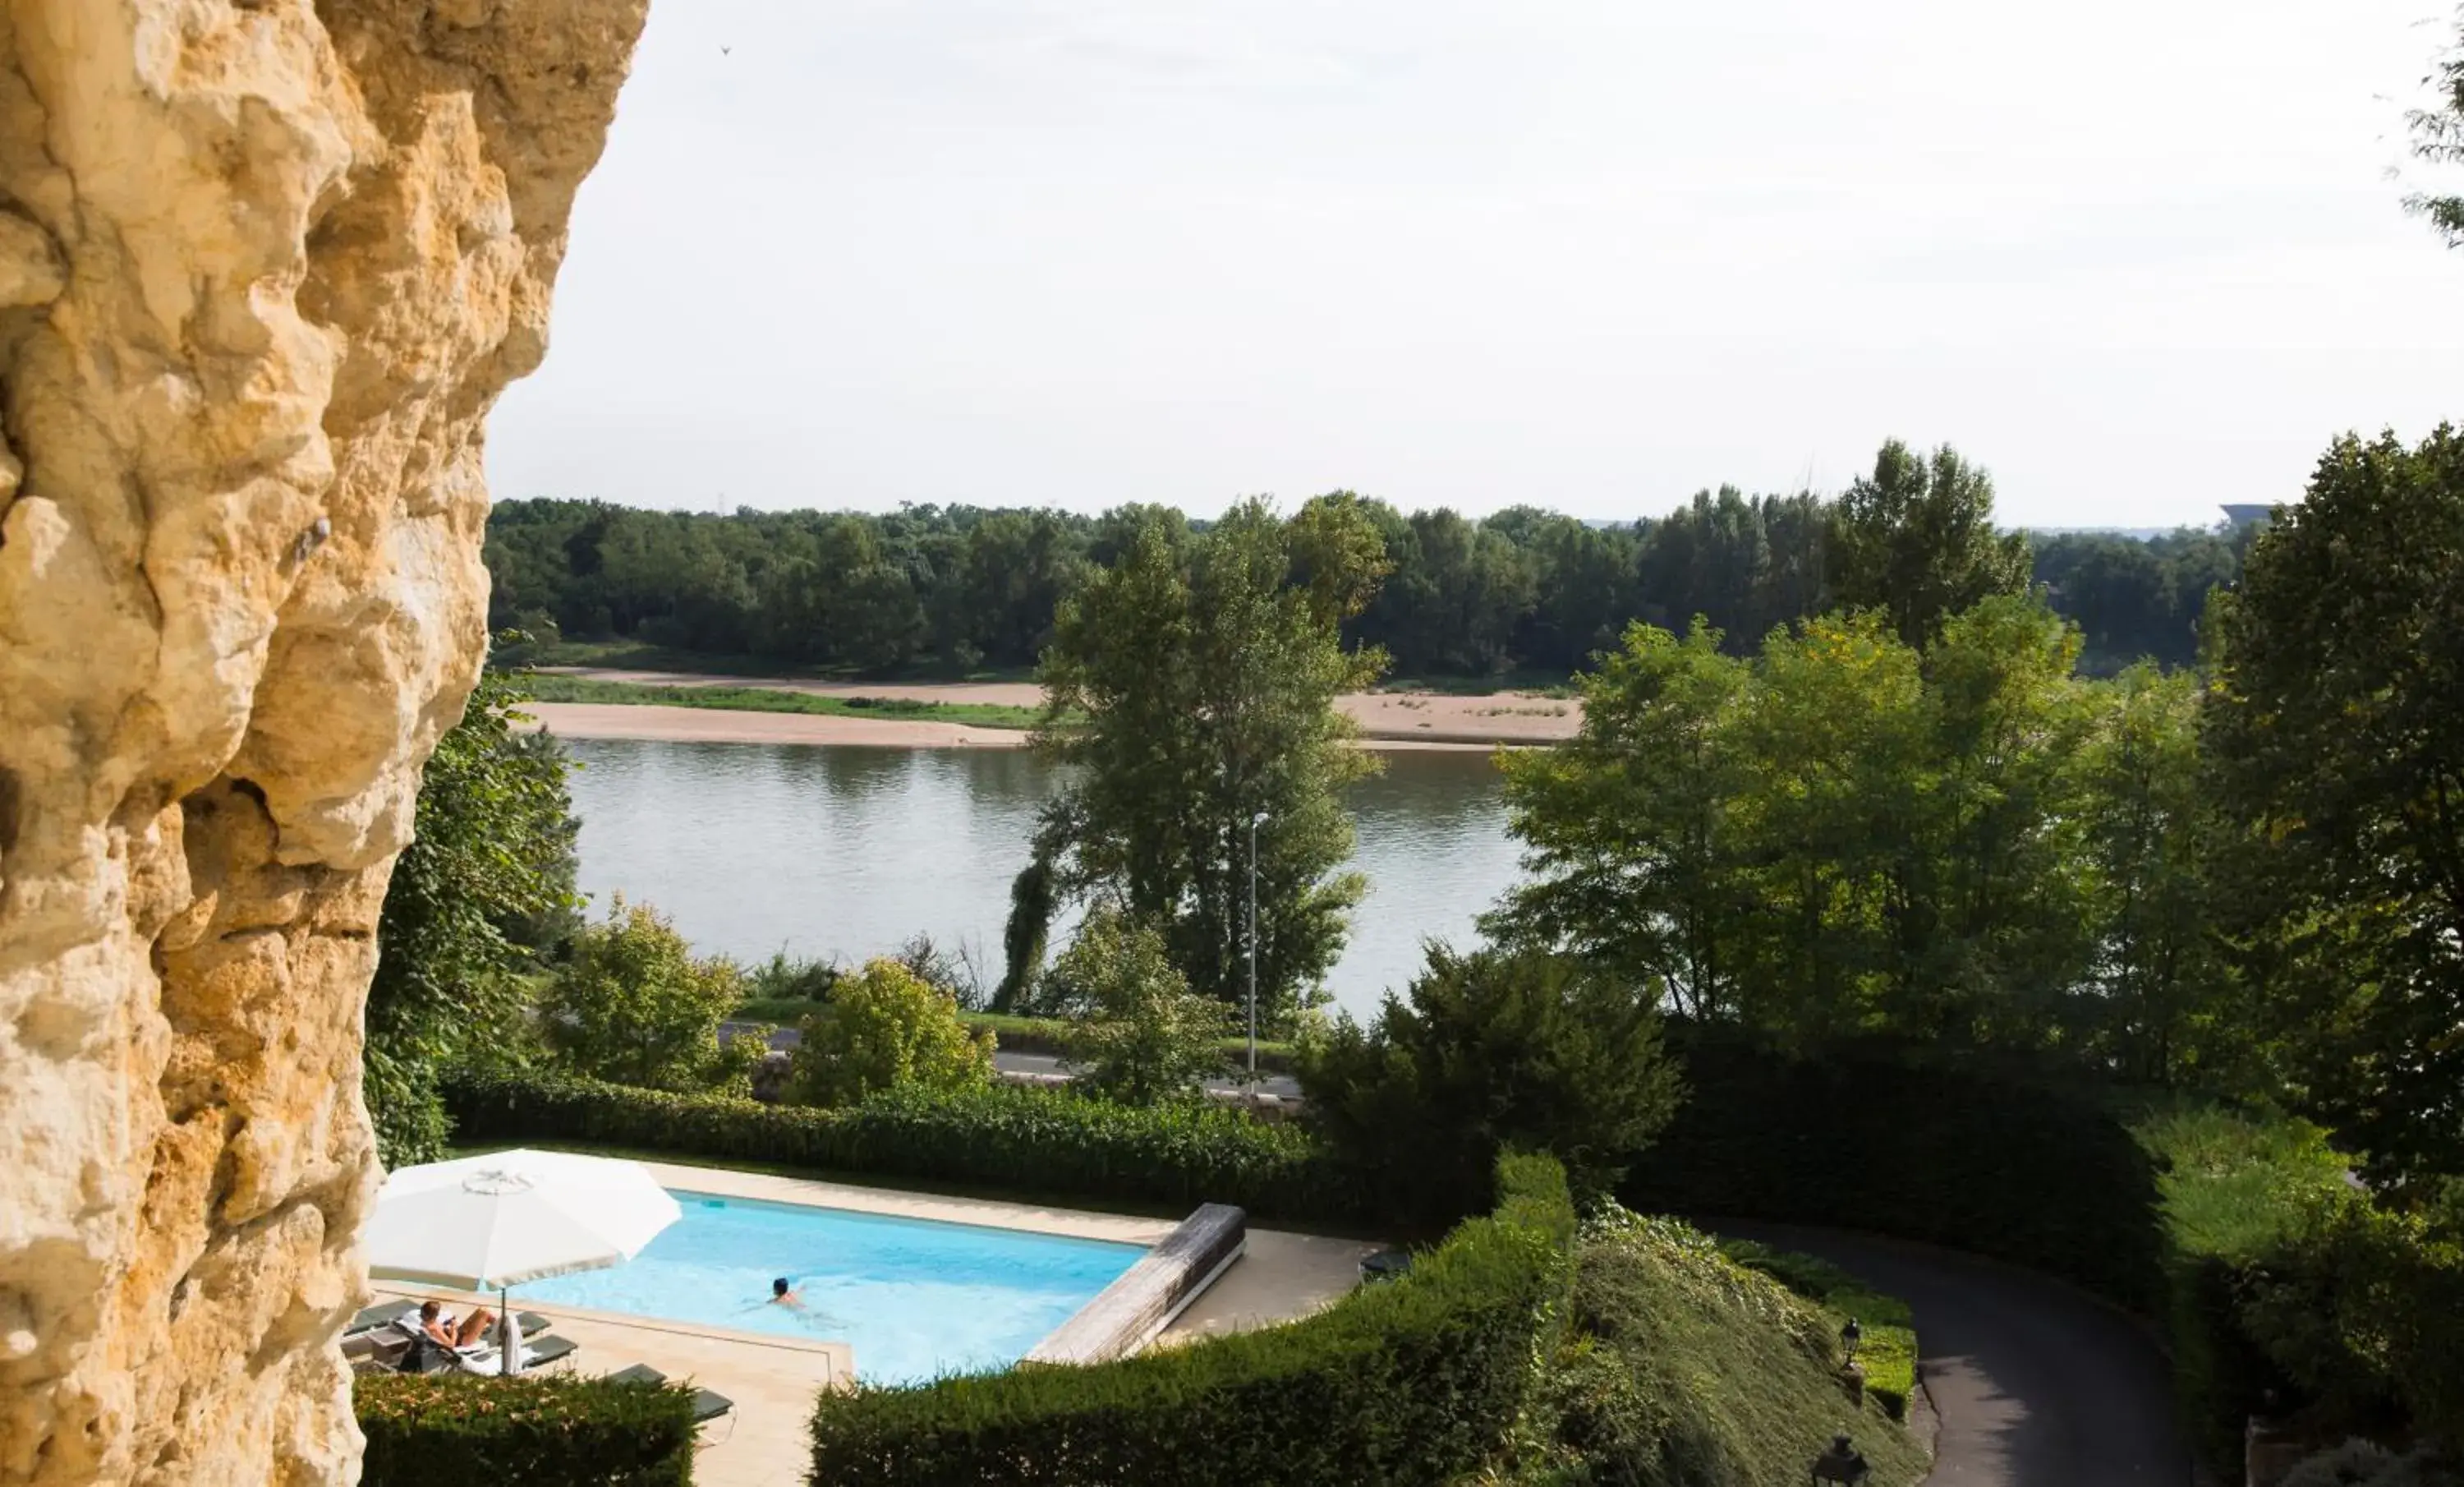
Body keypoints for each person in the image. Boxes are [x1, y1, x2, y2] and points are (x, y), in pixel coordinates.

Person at [417, 1298, 496, 1351]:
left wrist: (450, 1326)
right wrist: (454, 1329)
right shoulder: (433, 1328)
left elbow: (443, 1335)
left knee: (480, 1310)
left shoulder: (427, 1322)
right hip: (463, 1342)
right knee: (485, 1313)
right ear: (434, 1314)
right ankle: (498, 1331)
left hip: (458, 1334)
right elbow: (451, 1344)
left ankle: (496, 1328)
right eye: (438, 1312)